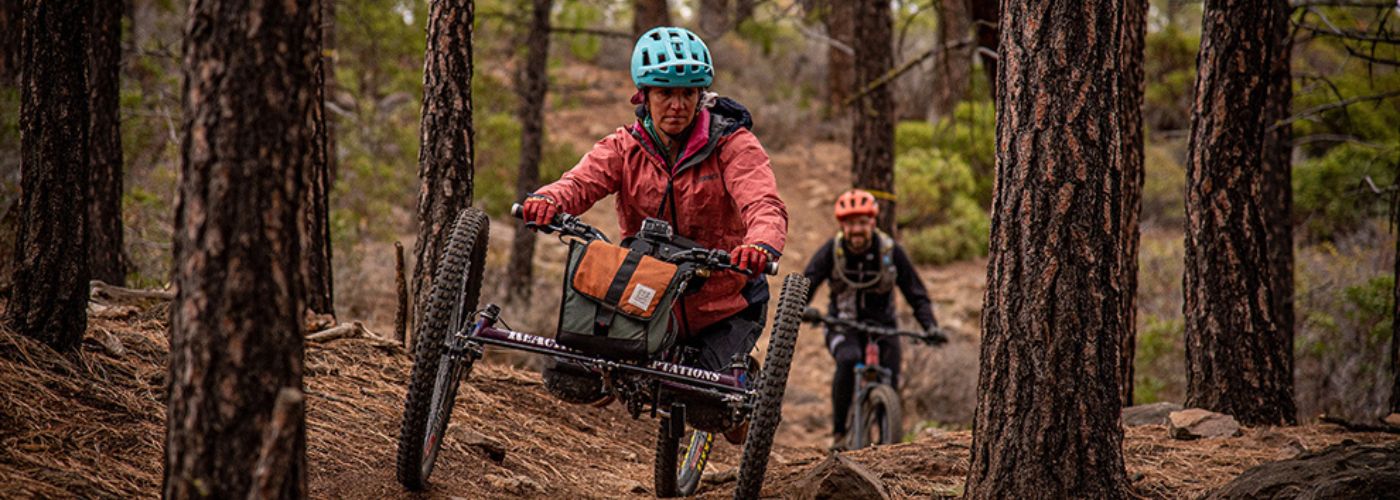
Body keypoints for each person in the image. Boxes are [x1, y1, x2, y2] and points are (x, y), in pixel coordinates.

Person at [520, 26, 786, 386]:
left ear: (701, 95)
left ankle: (738, 392)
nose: (677, 106)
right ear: (643, 96)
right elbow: (580, 181)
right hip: (643, 296)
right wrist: (548, 199)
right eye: (665, 93)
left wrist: (759, 244)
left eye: (687, 93)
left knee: (709, 402)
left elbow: (762, 200)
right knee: (570, 377)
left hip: (723, 301)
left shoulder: (733, 144)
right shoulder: (624, 147)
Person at [802, 189, 940, 449]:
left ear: (872, 223)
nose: (856, 229)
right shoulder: (832, 251)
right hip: (843, 324)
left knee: (890, 376)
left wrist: (930, 325)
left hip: (884, 328)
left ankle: (886, 441)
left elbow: (915, 292)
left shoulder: (890, 251)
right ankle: (840, 434)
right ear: (842, 225)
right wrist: (803, 308)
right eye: (851, 223)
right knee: (848, 359)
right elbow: (807, 283)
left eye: (862, 223)